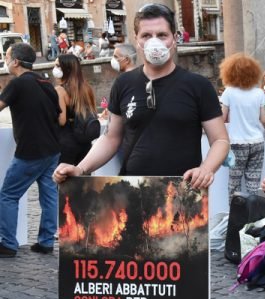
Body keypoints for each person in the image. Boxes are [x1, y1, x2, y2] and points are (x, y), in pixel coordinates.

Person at [53, 3, 228, 188]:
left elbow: (220, 139)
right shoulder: (123, 83)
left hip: (184, 192)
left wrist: (206, 168)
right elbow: (111, 137)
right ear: (137, 40)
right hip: (134, 192)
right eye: (146, 35)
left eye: (162, 35)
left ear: (174, 38)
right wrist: (80, 169)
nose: (155, 41)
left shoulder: (198, 86)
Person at [0, 43, 61, 257]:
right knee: (49, 196)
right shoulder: (46, 83)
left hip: (31, 151)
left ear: (15, 61)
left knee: (8, 194)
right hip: (52, 149)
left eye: (6, 57)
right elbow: (58, 115)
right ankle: (45, 242)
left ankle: (7, 243)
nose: (5, 61)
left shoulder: (17, 84)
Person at [219, 53, 265, 200]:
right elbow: (263, 119)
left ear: (231, 72)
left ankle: (235, 217)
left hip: (237, 144)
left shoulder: (229, 92)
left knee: (234, 185)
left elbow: (222, 118)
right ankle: (251, 217)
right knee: (253, 184)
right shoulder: (259, 93)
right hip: (257, 143)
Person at [53, 54, 97, 165]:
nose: (54, 68)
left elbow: (61, 120)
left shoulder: (60, 90)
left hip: (66, 142)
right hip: (85, 140)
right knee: (83, 178)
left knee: (64, 179)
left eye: (58, 65)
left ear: (66, 68)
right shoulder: (86, 87)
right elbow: (92, 111)